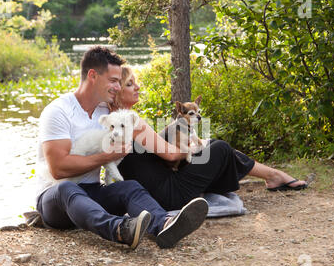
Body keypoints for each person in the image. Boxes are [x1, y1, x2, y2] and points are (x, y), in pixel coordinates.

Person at [36, 47, 209, 250]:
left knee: (130, 187)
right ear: (92, 75)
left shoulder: (107, 112)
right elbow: (59, 169)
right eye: (113, 81)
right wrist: (107, 156)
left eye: (120, 82)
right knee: (67, 188)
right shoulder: (58, 112)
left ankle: (165, 224)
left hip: (92, 193)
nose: (118, 87)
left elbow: (139, 127)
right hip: (55, 199)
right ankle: (121, 228)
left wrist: (187, 143)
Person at [110, 66, 308, 211]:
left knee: (211, 145)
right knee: (220, 148)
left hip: (155, 192)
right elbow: (170, 156)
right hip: (168, 195)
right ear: (117, 91)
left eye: (135, 82)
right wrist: (193, 149)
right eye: (130, 84)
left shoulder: (112, 120)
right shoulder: (131, 121)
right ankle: (273, 176)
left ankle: (272, 175)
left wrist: (197, 146)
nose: (137, 87)